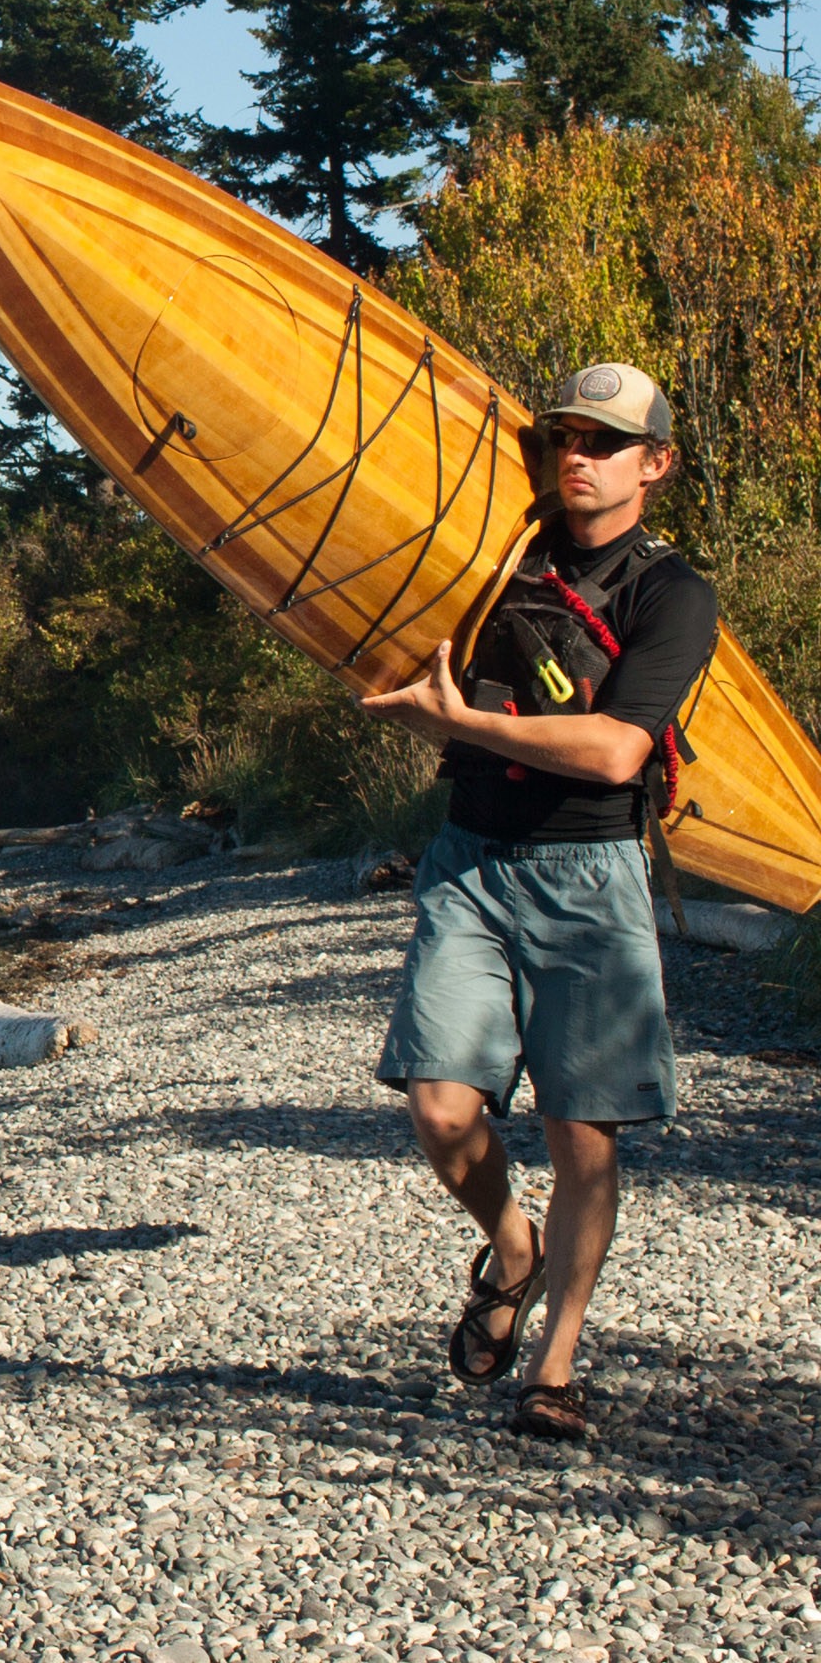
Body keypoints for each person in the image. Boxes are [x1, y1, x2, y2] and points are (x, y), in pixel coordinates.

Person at [359, 362, 718, 1440]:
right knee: (439, 1107)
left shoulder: (674, 595)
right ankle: (512, 1247)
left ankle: (553, 1367)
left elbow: (615, 750)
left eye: (606, 442)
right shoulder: (497, 558)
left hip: (592, 877)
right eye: (565, 435)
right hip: (472, 860)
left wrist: (464, 727)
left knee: (584, 1137)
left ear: (656, 464)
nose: (578, 454)